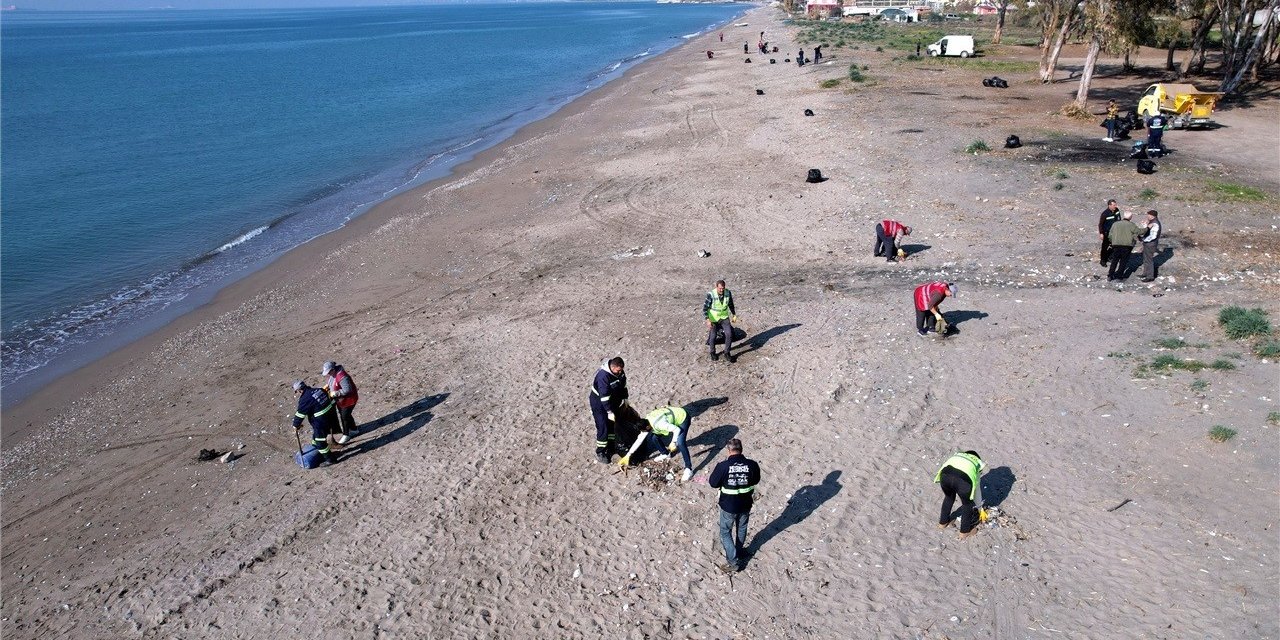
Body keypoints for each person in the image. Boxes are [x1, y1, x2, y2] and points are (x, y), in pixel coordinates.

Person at [708, 438, 760, 573]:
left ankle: (733, 561)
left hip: (728, 506)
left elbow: (713, 483)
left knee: (725, 532)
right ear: (741, 449)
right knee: (742, 528)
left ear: (728, 450)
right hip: (745, 504)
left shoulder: (723, 466)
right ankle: (739, 551)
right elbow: (756, 480)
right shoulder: (752, 465)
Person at [618, 405, 694, 483]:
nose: (644, 433)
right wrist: (628, 455)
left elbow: (676, 429)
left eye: (644, 431)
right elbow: (639, 440)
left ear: (647, 427)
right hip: (669, 418)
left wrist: (673, 442)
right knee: (654, 438)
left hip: (682, 417)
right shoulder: (646, 421)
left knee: (681, 443)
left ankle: (689, 468)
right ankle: (665, 453)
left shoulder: (659, 424)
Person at [934, 450, 985, 539]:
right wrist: (980, 508)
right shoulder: (977, 463)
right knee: (967, 504)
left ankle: (942, 523)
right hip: (962, 481)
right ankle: (964, 532)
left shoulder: (958, 455)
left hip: (945, 476)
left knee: (949, 497)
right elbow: (977, 491)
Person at [589, 357, 629, 464]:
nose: (620, 372)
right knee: (603, 426)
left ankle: (611, 447)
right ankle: (601, 451)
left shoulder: (619, 372)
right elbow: (604, 397)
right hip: (600, 404)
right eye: (618, 370)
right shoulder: (603, 376)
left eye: (621, 370)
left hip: (613, 400)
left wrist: (625, 398)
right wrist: (609, 412)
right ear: (612, 367)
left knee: (612, 425)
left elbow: (623, 385)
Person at [292, 380, 338, 466]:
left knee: (320, 443)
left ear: (299, 390)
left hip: (321, 422)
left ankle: (330, 459)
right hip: (331, 418)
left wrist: (296, 425)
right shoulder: (319, 390)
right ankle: (317, 452)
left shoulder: (305, 399)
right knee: (316, 438)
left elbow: (300, 414)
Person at [322, 361, 359, 444]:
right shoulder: (332, 375)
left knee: (344, 416)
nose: (327, 374)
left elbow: (347, 389)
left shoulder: (342, 377)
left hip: (349, 400)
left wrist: (336, 393)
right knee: (346, 415)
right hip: (340, 400)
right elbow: (332, 383)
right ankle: (354, 429)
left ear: (332, 369)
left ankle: (346, 434)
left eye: (328, 372)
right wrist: (328, 387)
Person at [704, 280, 738, 363]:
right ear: (716, 287)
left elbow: (730, 304)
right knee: (713, 336)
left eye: (723, 288)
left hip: (724, 317)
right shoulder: (711, 294)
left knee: (729, 334)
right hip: (713, 318)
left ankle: (727, 352)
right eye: (720, 288)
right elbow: (705, 309)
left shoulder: (728, 293)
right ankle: (712, 352)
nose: (721, 290)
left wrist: (734, 314)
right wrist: (708, 320)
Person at [1106, 211, 1140, 281]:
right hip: (1126, 246)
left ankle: (1110, 275)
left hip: (1116, 245)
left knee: (1114, 261)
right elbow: (1139, 232)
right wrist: (1148, 228)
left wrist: (1112, 241)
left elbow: (1110, 235)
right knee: (1123, 262)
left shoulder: (1115, 224)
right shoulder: (1131, 225)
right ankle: (1119, 276)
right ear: (1131, 217)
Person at [1097, 199, 1122, 267]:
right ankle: (1103, 260)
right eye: (1114, 205)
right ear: (1109, 205)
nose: (1115, 206)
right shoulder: (1105, 214)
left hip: (1115, 232)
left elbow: (1119, 219)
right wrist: (1101, 233)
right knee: (1105, 247)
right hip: (1107, 233)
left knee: (1114, 246)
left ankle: (1108, 257)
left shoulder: (1117, 211)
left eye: (1115, 205)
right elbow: (1100, 224)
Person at [1138, 209, 1161, 282]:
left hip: (1150, 244)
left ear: (1152, 216)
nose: (1147, 216)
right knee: (1145, 259)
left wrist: (1143, 240)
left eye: (1148, 215)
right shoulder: (1152, 222)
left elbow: (1153, 236)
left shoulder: (1155, 224)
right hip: (1148, 243)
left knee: (1149, 260)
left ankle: (1150, 276)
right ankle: (1145, 273)